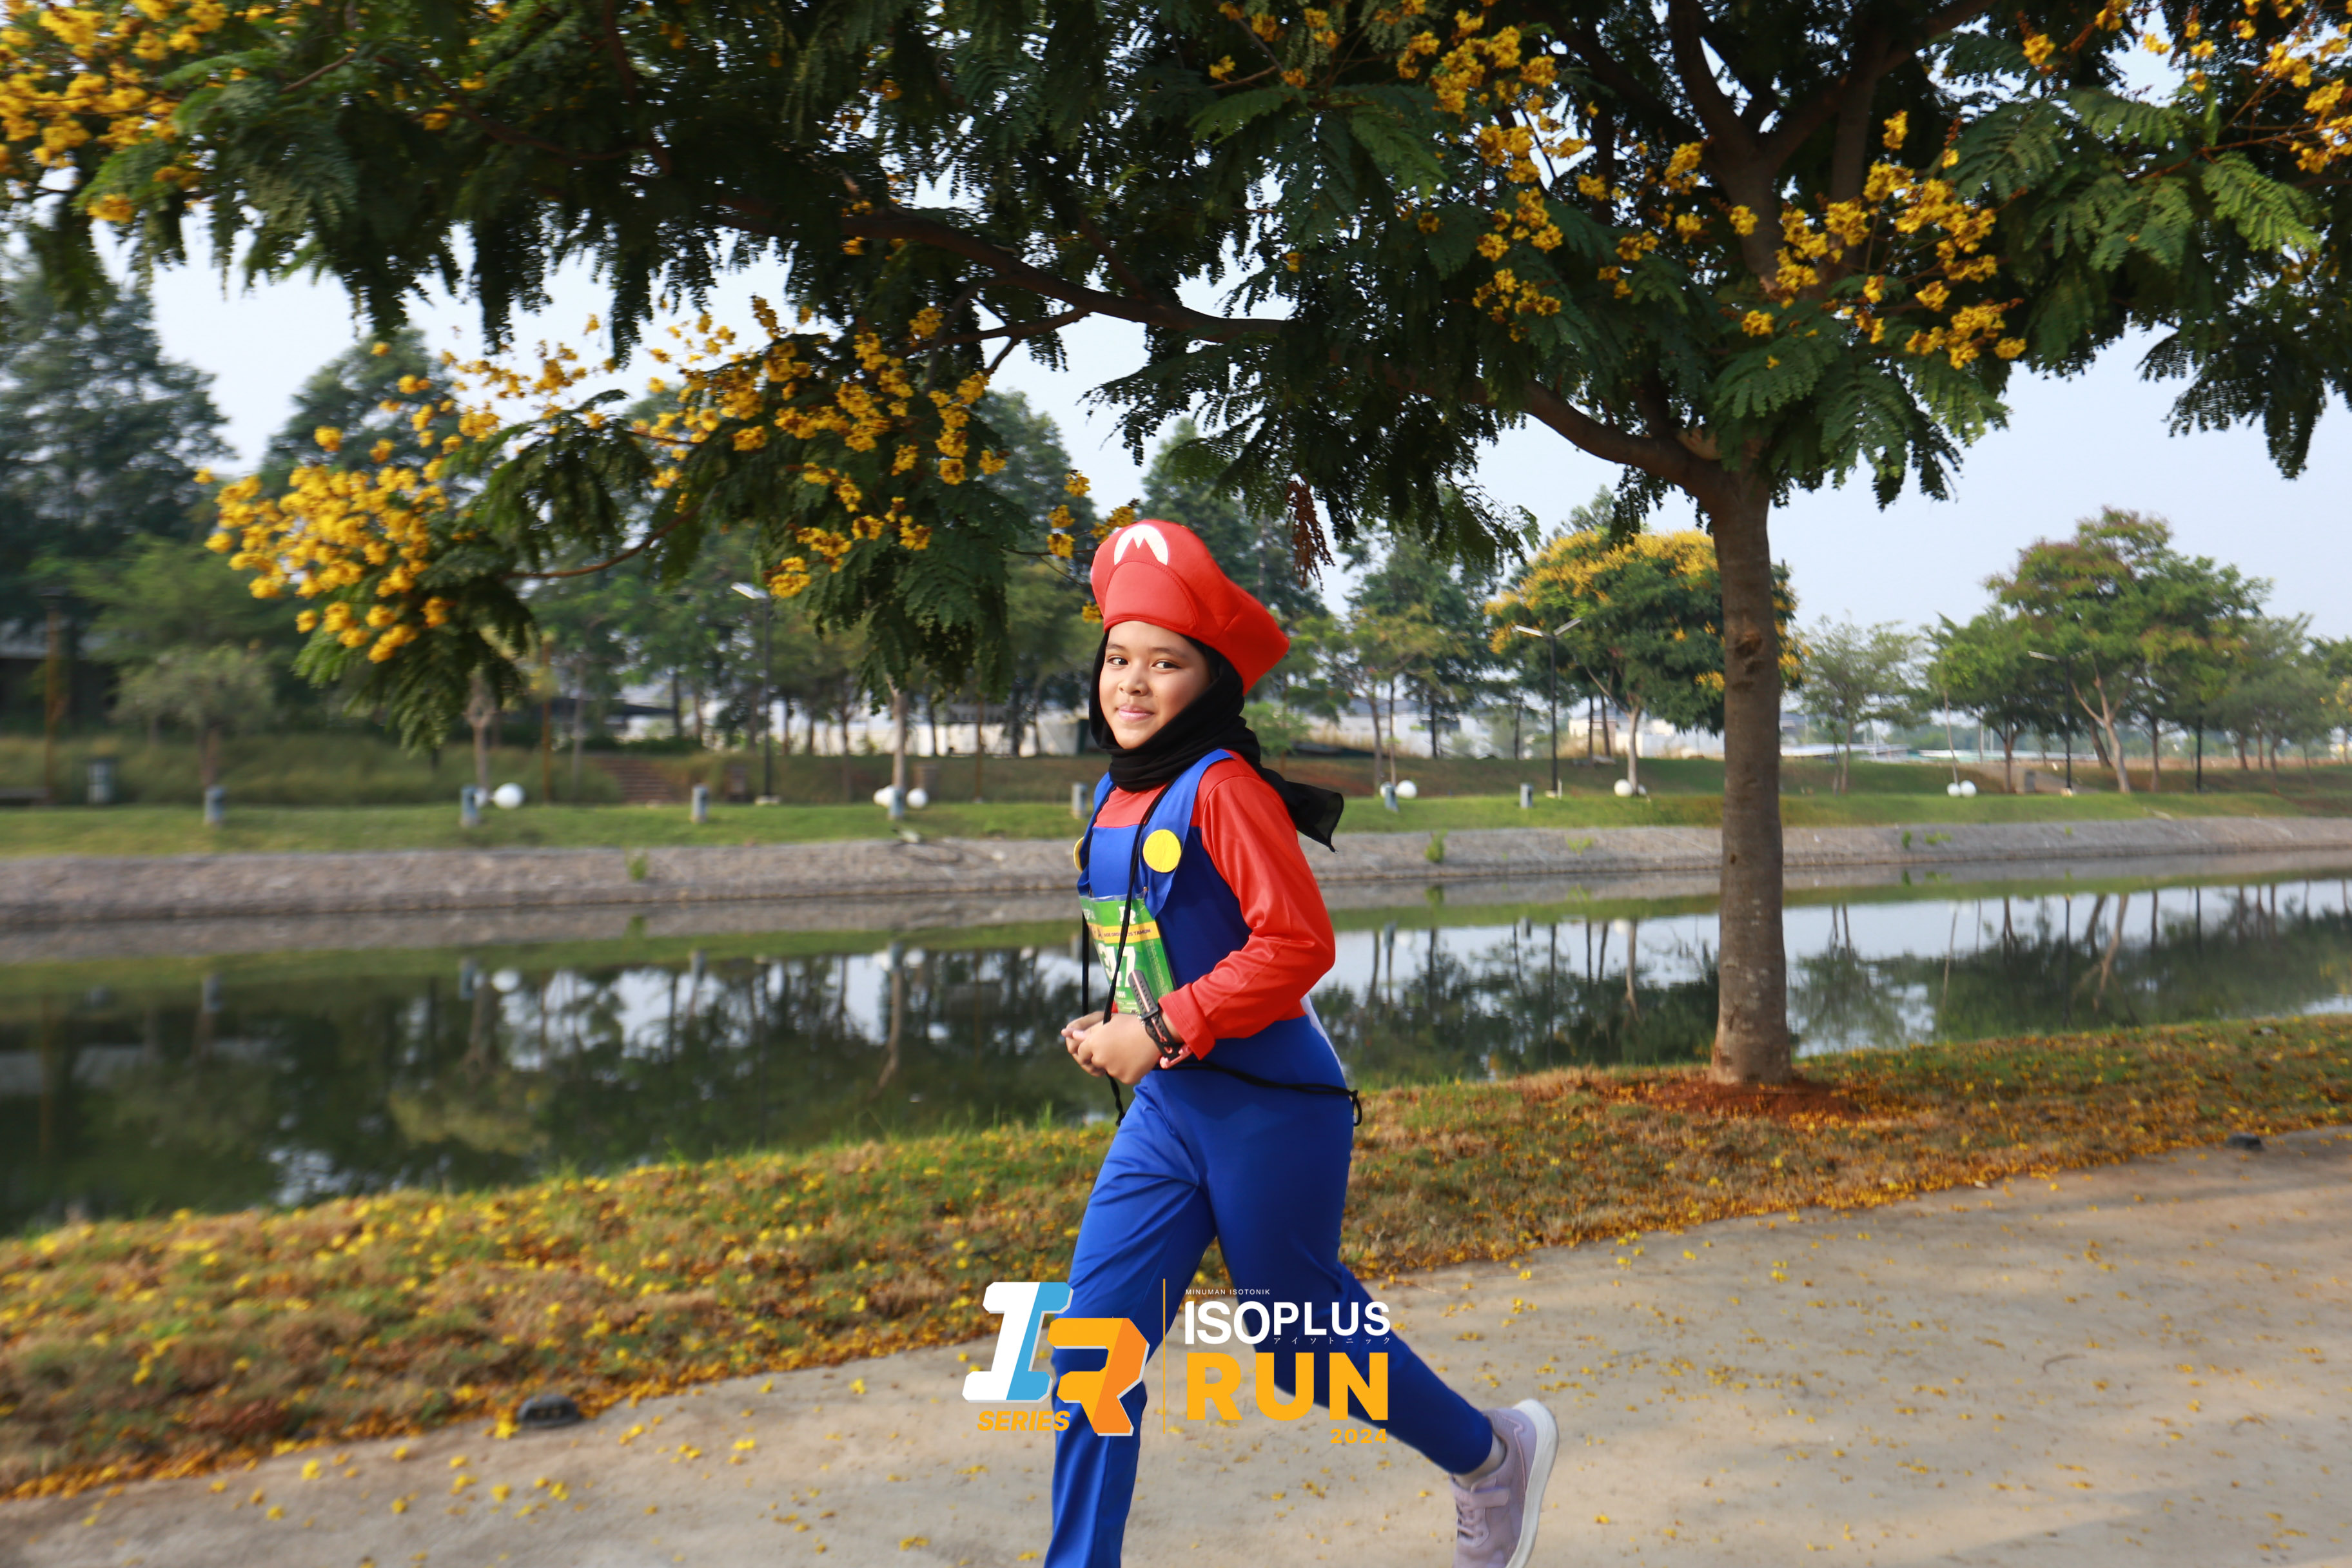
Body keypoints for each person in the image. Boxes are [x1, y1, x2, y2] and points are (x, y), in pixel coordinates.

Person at [1049, 519, 1559, 1568]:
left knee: (1296, 1340)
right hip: (1170, 1111)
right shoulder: (1114, 791)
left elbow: (1297, 945)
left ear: (1210, 681)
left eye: (1164, 663)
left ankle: (1490, 1458)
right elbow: (1165, 942)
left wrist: (1161, 1027)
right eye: (1118, 658)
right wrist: (1122, 1019)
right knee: (1092, 1349)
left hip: (1271, 1111)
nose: (1132, 682)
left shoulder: (1224, 788)